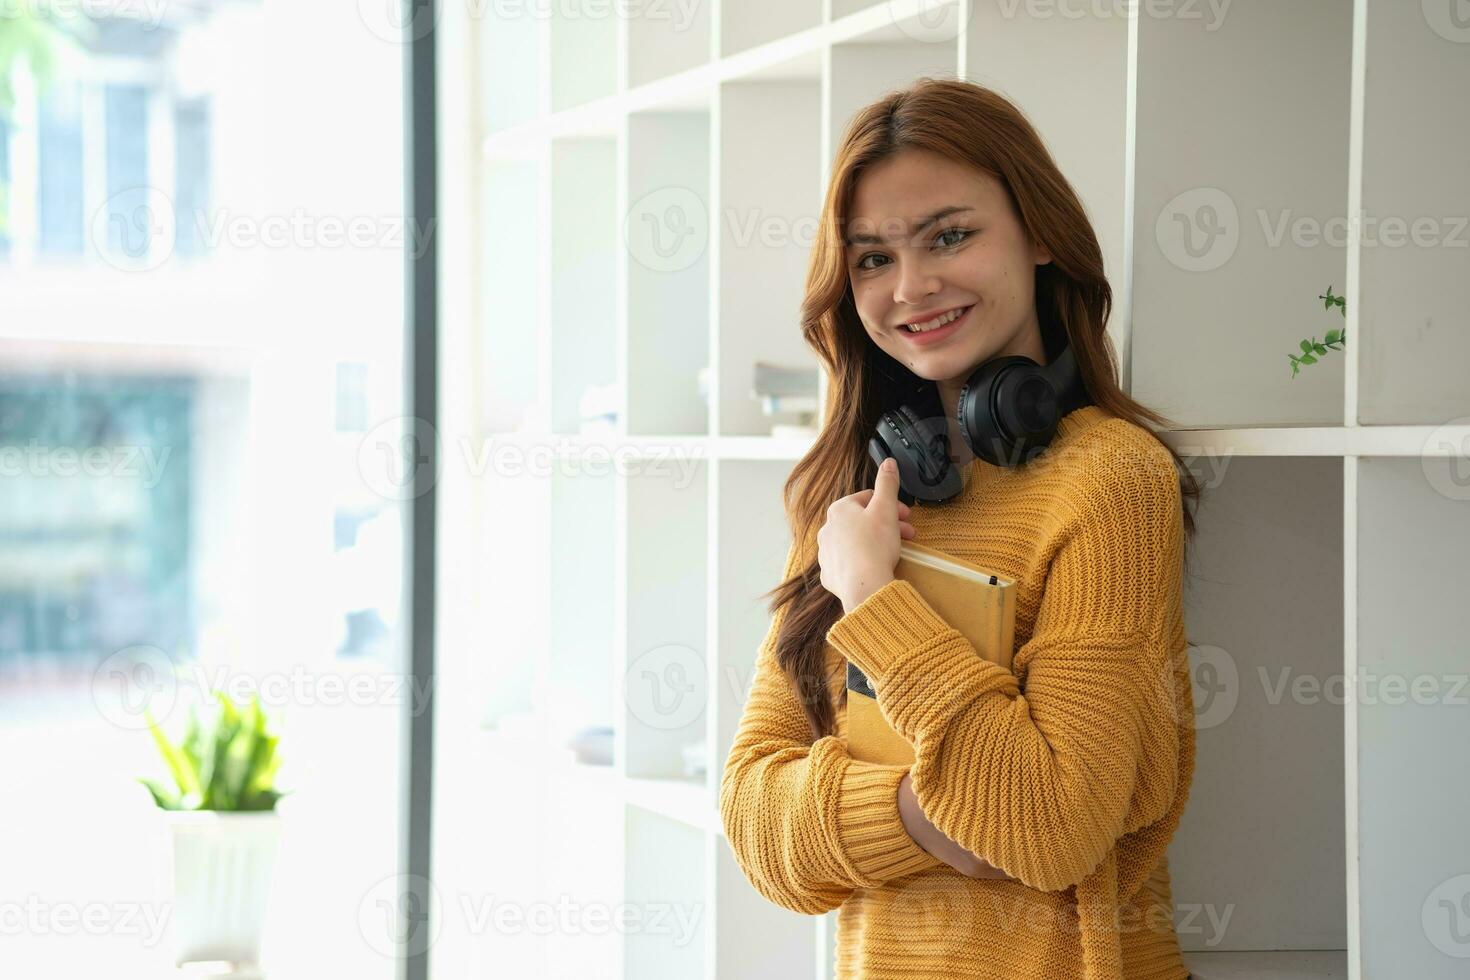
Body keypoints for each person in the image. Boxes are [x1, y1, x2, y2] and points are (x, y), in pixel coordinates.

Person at [718, 77, 1203, 980]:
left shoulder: (1108, 479)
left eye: (950, 236)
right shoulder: (855, 498)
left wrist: (874, 598)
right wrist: (925, 817)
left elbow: (1047, 830)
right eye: (871, 258)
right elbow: (752, 821)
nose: (912, 286)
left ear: (1042, 234)